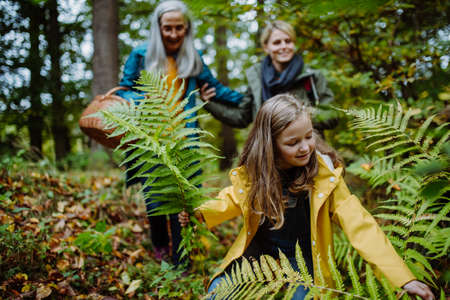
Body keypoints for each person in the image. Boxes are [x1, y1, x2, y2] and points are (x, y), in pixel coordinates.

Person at [178, 94, 435, 299]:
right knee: (218, 292)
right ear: (270, 143)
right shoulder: (256, 175)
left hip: (303, 262)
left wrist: (403, 278)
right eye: (292, 142)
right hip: (258, 255)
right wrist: (199, 213)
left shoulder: (325, 176)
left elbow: (361, 225)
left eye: (309, 136)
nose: (305, 147)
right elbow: (231, 199)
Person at [116, 0, 243, 266]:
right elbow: (124, 90)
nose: (173, 34)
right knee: (156, 198)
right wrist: (147, 102)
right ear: (158, 27)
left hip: (186, 139)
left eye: (179, 28)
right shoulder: (140, 54)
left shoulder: (191, 56)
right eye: (167, 28)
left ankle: (181, 259)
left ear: (187, 28)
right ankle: (161, 250)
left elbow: (214, 87)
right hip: (151, 139)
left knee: (184, 201)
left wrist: (247, 101)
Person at [201, 20, 335, 130]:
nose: (283, 46)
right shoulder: (257, 79)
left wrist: (296, 118)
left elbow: (332, 117)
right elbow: (242, 117)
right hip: (268, 153)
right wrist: (208, 104)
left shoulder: (311, 76)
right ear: (266, 47)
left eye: (288, 41)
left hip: (306, 150)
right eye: (277, 42)